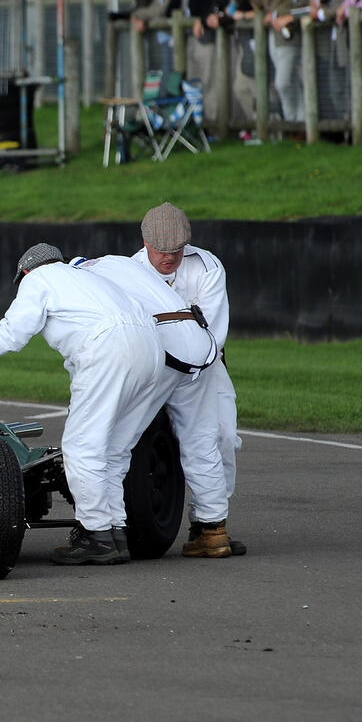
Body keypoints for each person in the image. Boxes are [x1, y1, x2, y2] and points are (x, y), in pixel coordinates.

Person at [0, 245, 174, 566]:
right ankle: (115, 531)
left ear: (26, 272)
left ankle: (97, 535)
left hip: (110, 349)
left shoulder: (39, 279)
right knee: (115, 449)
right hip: (153, 351)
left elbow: (11, 335)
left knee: (81, 448)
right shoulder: (85, 279)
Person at [71, 253, 232, 559]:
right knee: (202, 440)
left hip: (164, 348)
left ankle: (110, 531)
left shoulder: (83, 280)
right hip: (200, 343)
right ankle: (213, 531)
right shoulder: (121, 262)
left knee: (116, 443)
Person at [133, 202, 247, 556]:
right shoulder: (128, 271)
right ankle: (110, 526)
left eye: (177, 250)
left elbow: (213, 333)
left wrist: (188, 377)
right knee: (121, 439)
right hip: (148, 366)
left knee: (222, 437)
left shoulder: (208, 267)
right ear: (145, 243)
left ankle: (208, 526)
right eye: (162, 250)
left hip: (203, 363)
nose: (169, 257)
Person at [270, 0, 314, 123]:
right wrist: (279, 14)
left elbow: (312, 8)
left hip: (309, 42)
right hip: (300, 42)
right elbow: (285, 7)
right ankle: (295, 122)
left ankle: (299, 122)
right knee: (294, 82)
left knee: (287, 82)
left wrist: (289, 16)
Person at [132, 0, 185, 75]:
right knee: (159, 77)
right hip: (161, 39)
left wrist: (138, 15)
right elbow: (151, 7)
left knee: (172, 77)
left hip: (174, 37)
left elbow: (162, 10)